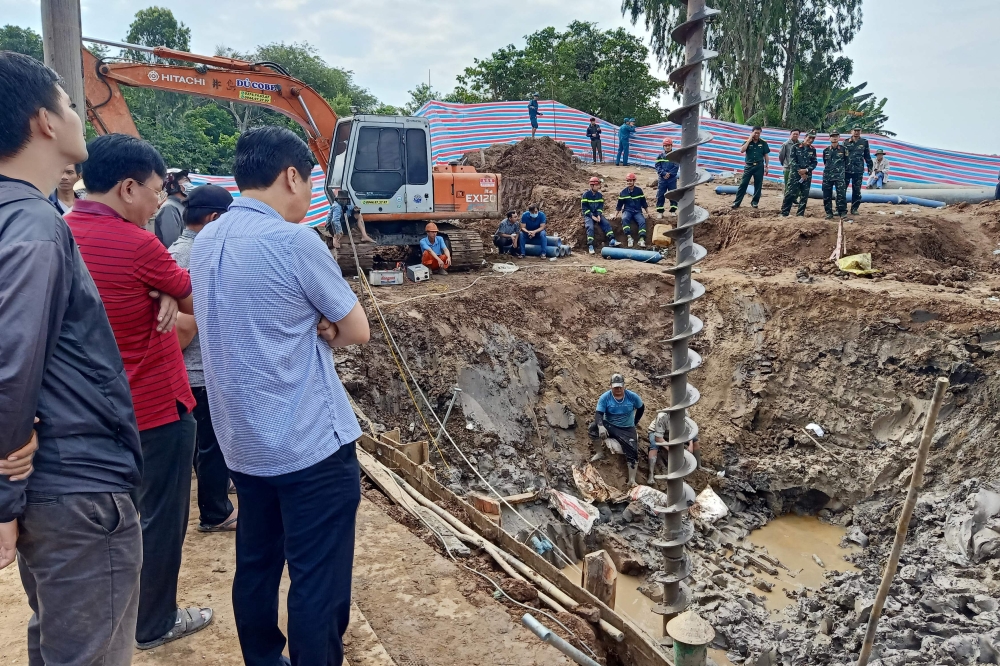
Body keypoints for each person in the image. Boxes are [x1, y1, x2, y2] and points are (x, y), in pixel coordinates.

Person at [189, 125, 370, 666]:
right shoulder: (294, 242)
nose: (311, 194)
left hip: (243, 443)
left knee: (258, 565)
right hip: (309, 445)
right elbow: (356, 328)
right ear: (291, 176)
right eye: (310, 181)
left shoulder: (207, 240)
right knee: (317, 579)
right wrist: (327, 327)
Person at [0, 51, 143, 666]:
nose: (79, 114)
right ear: (44, 122)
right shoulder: (33, 227)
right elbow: (12, 358)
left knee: (57, 641)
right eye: (68, 103)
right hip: (75, 487)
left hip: (49, 487)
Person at [66, 134, 212, 650]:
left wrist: (169, 299)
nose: (159, 202)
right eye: (155, 190)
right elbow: (199, 301)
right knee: (161, 519)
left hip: (90, 414)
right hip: (154, 408)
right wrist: (171, 300)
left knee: (114, 523)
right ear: (128, 187)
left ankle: (116, 618)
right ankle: (154, 622)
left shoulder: (61, 233)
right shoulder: (137, 244)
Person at [167, 184, 238, 533]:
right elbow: (194, 318)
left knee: (200, 441)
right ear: (213, 219)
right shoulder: (201, 256)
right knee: (213, 442)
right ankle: (216, 511)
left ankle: (218, 488)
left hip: (183, 368)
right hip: (201, 366)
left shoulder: (173, 251)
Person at [588, 374, 645, 486]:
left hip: (627, 428)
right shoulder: (605, 397)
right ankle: (599, 452)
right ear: (611, 386)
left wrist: (635, 422)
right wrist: (601, 426)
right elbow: (598, 414)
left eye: (620, 387)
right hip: (610, 424)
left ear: (624, 386)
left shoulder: (632, 397)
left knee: (632, 450)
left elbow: (641, 408)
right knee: (592, 427)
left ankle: (632, 479)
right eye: (615, 387)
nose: (618, 389)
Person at [647, 410, 700, 484]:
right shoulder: (662, 417)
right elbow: (658, 438)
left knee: (695, 441)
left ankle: (699, 466)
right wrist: (671, 449)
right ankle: (651, 475)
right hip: (656, 432)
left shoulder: (684, 414)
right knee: (654, 446)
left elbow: (688, 431)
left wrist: (690, 444)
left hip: (673, 432)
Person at [780, 132, 818, 217]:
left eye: (813, 138)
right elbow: (792, 161)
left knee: (804, 195)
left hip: (807, 176)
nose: (811, 140)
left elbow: (814, 162)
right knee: (790, 193)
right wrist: (800, 171)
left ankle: (800, 214)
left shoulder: (813, 149)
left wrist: (806, 170)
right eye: (809, 137)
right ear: (805, 137)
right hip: (795, 175)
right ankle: (784, 213)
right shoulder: (795, 147)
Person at [732, 126, 770, 209]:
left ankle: (755, 202)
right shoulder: (747, 141)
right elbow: (742, 150)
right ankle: (736, 202)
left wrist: (767, 166)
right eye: (755, 132)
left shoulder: (763, 143)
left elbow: (766, 155)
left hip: (759, 166)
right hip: (749, 166)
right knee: (743, 184)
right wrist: (749, 140)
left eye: (758, 133)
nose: (756, 134)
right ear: (752, 132)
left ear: (760, 133)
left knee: (758, 185)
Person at [154, 167, 192, 248]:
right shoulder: (169, 208)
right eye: (185, 181)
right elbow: (173, 244)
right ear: (173, 186)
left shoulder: (181, 206)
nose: (189, 184)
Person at [582, 176, 617, 255]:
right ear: (592, 186)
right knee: (590, 227)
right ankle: (590, 245)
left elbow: (600, 207)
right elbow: (584, 208)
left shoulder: (600, 195)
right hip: (588, 215)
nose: (599, 187)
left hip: (596, 214)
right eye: (597, 185)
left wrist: (598, 215)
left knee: (606, 223)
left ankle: (612, 240)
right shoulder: (585, 195)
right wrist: (592, 216)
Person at [843, 126, 873, 214]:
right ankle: (841, 209)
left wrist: (870, 167)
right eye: (855, 130)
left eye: (858, 131)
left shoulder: (864, 142)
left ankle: (854, 209)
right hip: (846, 170)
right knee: (842, 190)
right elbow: (842, 156)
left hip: (858, 170)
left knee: (856, 190)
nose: (856, 132)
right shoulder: (845, 142)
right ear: (851, 131)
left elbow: (867, 155)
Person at [615, 173, 648, 248]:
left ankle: (641, 239)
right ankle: (629, 238)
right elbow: (619, 205)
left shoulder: (639, 191)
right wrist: (615, 215)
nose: (629, 182)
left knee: (642, 221)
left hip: (637, 211)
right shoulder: (623, 192)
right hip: (627, 211)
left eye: (631, 181)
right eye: (628, 181)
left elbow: (644, 203)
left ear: (634, 181)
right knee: (624, 218)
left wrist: (648, 213)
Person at [822, 132, 849, 219]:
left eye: (836, 136)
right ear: (829, 138)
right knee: (827, 195)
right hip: (827, 176)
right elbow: (825, 162)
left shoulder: (844, 149)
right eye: (832, 136)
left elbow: (847, 162)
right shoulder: (826, 150)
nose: (834, 138)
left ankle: (843, 213)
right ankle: (829, 213)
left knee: (841, 195)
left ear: (839, 138)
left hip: (839, 176)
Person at [655, 137, 679, 217]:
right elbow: (657, 166)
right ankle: (660, 212)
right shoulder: (660, 156)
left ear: (671, 146)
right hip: (662, 179)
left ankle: (673, 211)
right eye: (666, 145)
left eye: (669, 145)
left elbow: (676, 166)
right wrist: (663, 173)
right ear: (663, 146)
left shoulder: (675, 156)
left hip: (672, 179)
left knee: (673, 194)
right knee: (660, 195)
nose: (667, 147)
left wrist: (669, 174)